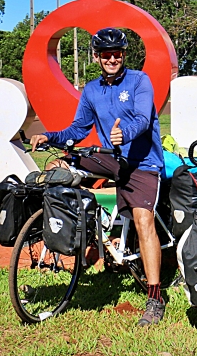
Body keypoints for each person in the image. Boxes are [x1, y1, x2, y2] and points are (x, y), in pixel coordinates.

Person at [30, 28, 167, 327]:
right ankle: (89, 230)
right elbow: (78, 129)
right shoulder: (92, 90)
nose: (112, 58)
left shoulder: (139, 81)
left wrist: (124, 133)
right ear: (96, 56)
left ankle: (155, 298)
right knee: (61, 168)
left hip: (142, 162)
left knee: (144, 220)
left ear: (124, 55)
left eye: (117, 53)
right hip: (111, 158)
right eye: (106, 54)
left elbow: (143, 120)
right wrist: (49, 137)